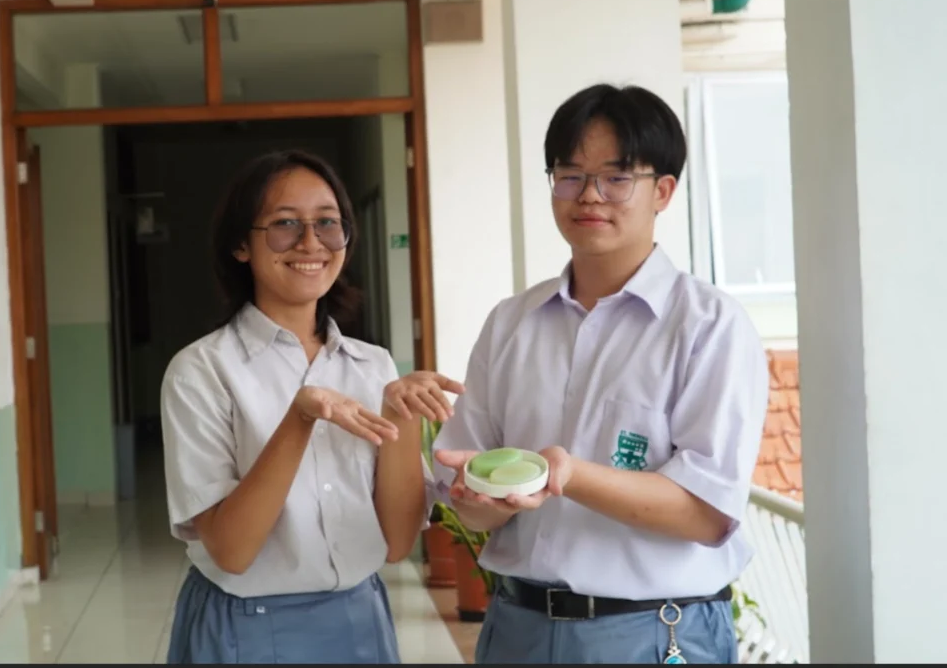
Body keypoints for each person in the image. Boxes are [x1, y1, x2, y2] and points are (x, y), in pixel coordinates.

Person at [432, 83, 769, 664]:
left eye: (616, 178)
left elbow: (708, 512)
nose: (589, 195)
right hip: (518, 629)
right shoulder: (511, 322)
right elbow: (474, 509)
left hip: (655, 632)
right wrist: (483, 496)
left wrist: (566, 474)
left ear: (663, 191)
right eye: (570, 175)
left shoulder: (709, 325)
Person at [160, 150, 463, 664]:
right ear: (240, 245)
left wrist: (401, 417)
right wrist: (299, 419)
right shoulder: (201, 371)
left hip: (360, 619)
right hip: (245, 627)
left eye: (327, 223)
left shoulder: (373, 364)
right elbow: (232, 551)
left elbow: (396, 543)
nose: (310, 242)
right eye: (284, 224)